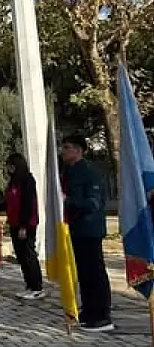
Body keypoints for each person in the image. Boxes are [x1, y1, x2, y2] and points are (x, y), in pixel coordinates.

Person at [61, 135, 114, 332]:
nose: (63, 151)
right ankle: (89, 310)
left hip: (89, 229)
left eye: (67, 148)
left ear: (78, 150)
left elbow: (93, 203)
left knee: (94, 272)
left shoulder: (89, 172)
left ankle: (102, 315)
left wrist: (66, 200)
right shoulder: (68, 172)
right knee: (83, 273)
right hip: (75, 229)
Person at [4, 153, 44, 300]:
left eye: (11, 165)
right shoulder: (12, 181)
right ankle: (29, 284)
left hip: (26, 224)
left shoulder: (27, 180)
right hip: (14, 223)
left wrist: (24, 226)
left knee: (28, 255)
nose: (9, 168)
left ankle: (37, 287)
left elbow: (28, 204)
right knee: (20, 255)